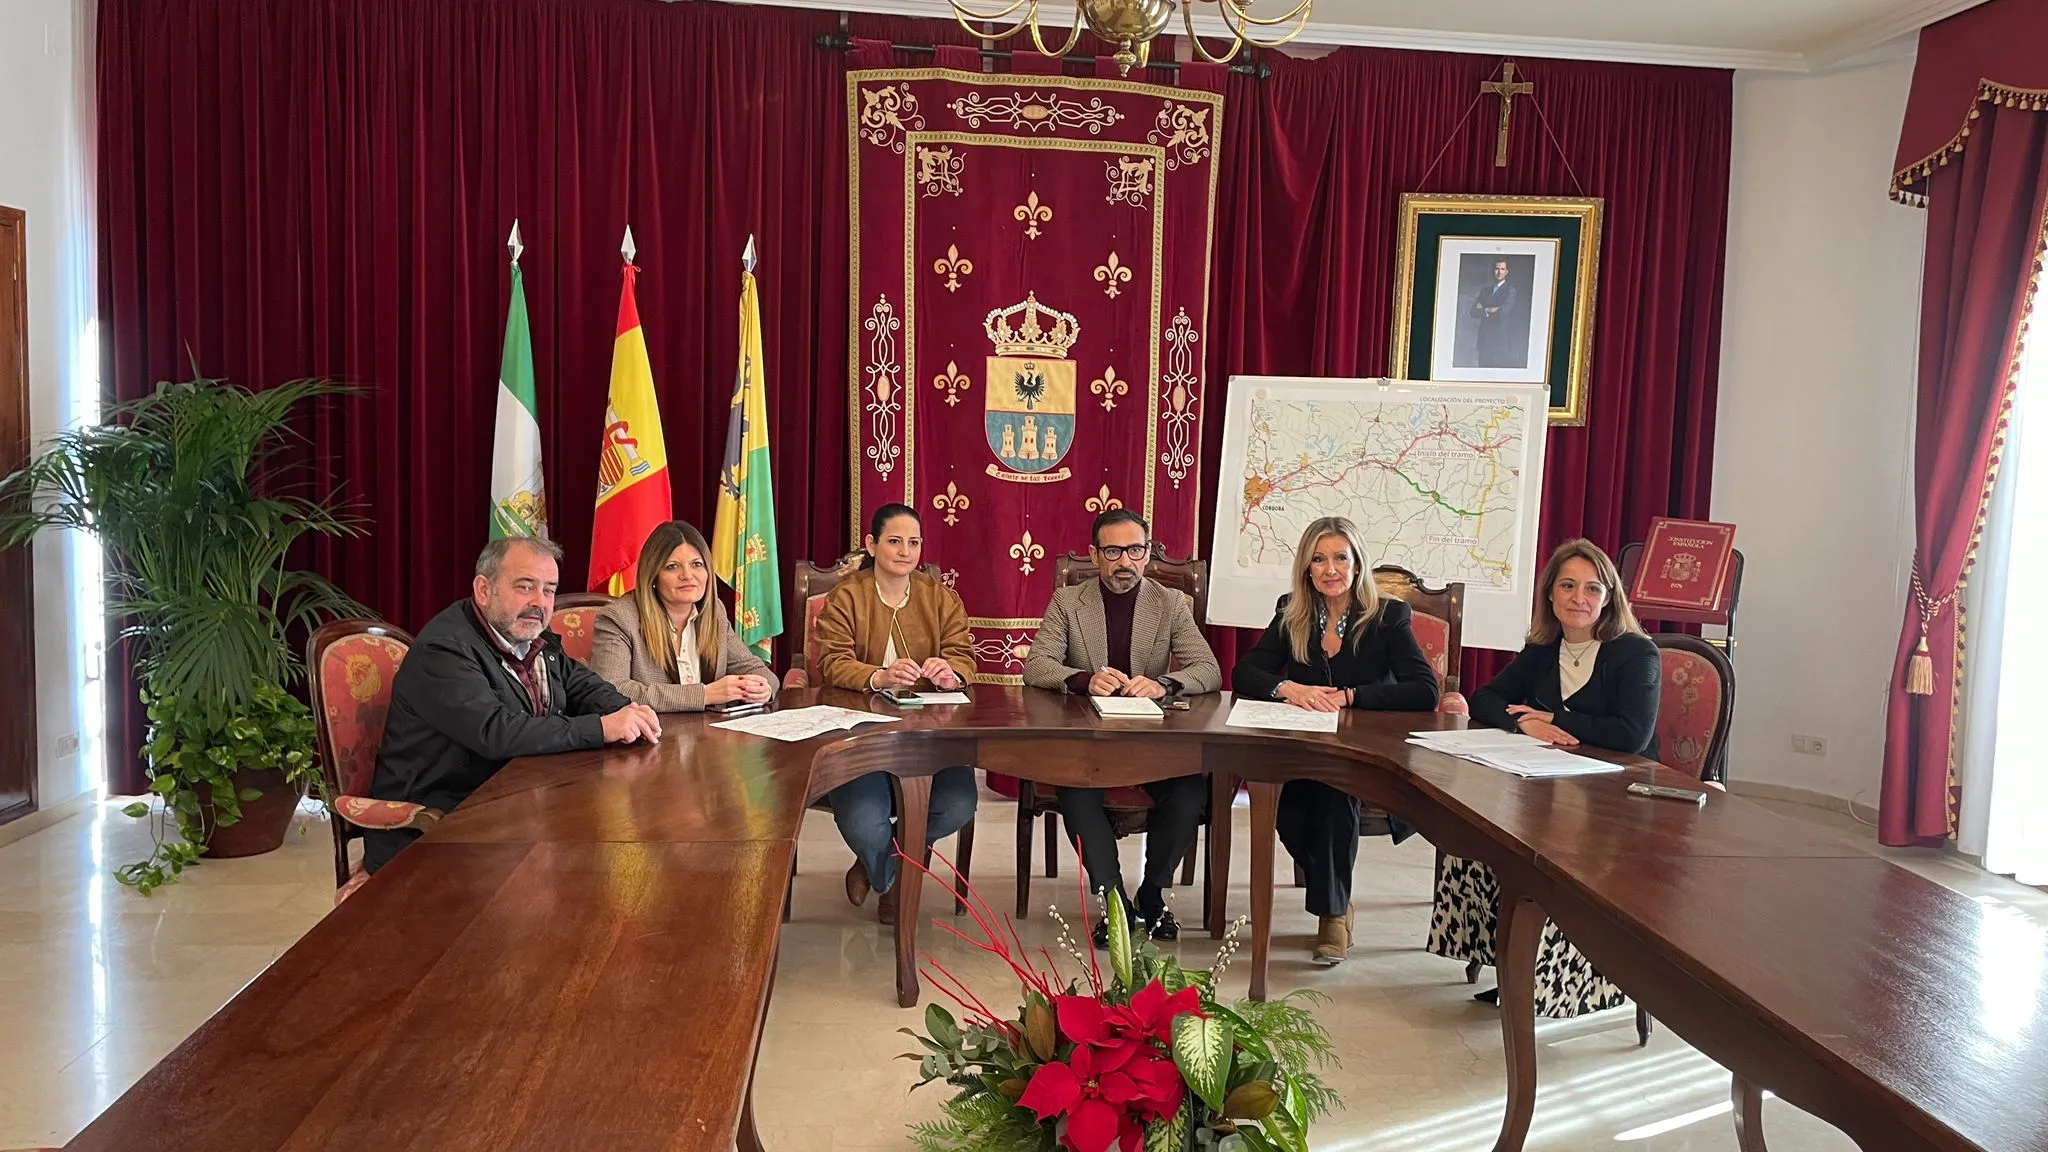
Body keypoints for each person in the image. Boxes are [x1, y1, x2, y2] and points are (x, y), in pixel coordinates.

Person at [1427, 537, 1661, 1017]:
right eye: (1568, 586)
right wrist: (1524, 723)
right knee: (1477, 832)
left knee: (1556, 851)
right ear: (1550, 596)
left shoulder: (1636, 652)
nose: (1580, 598)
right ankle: (1509, 964)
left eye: (1593, 588)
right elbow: (1487, 698)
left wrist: (1551, 718)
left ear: (1610, 596)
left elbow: (1631, 735)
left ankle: (1559, 985)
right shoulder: (1542, 649)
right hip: (1550, 782)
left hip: (1619, 793)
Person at [364, 537, 664, 874]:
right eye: (525, 586)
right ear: (483, 589)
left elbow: (581, 685)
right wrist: (600, 727)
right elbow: (496, 732)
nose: (540, 602)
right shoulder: (444, 651)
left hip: (516, 806)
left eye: (549, 590)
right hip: (440, 827)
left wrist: (627, 710)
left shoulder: (531, 635)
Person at [1232, 517, 1439, 966]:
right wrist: (1289, 689)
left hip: (1370, 755)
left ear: (1357, 562)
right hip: (1308, 748)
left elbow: (1424, 690)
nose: (1331, 569)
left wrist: (1350, 696)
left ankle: (1331, 915)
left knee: (1333, 797)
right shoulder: (1292, 612)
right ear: (1307, 569)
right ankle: (1340, 899)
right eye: (1319, 560)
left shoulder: (1388, 616)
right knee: (1287, 811)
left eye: (1340, 558)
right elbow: (1246, 672)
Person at [1022, 508, 1223, 945]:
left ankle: (1152, 896)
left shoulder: (1169, 603)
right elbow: (1036, 665)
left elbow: (1208, 669)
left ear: (1147, 553)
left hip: (1152, 744)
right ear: (1095, 555)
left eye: (1134, 550)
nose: (1124, 562)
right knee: (1074, 791)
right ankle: (1113, 901)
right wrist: (1082, 679)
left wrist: (1164, 683)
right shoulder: (1069, 602)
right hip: (1088, 743)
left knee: (1189, 793)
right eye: (1113, 551)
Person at [812, 503, 980, 924]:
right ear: (871, 544)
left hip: (930, 737)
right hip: (863, 732)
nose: (905, 551)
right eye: (894, 541)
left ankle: (879, 866)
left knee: (958, 803)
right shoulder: (846, 596)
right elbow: (832, 662)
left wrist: (950, 673)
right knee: (862, 820)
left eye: (914, 542)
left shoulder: (940, 598)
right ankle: (893, 879)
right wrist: (879, 676)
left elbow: (965, 657)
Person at [589, 520, 778, 712]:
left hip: (711, 737)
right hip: (651, 737)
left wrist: (762, 688)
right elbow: (610, 691)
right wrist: (705, 694)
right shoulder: (619, 618)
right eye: (672, 567)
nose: (687, 575)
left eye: (697, 564)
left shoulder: (714, 612)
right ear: (653, 575)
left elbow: (754, 668)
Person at [1471, 257, 1520, 367]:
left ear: (1506, 272)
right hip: (1484, 341)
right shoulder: (1485, 291)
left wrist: (1483, 309)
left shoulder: (1510, 291)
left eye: (1502, 269)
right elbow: (1473, 312)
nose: (1499, 272)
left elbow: (1503, 313)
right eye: (1497, 269)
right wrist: (1489, 310)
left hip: (1499, 342)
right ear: (1493, 270)